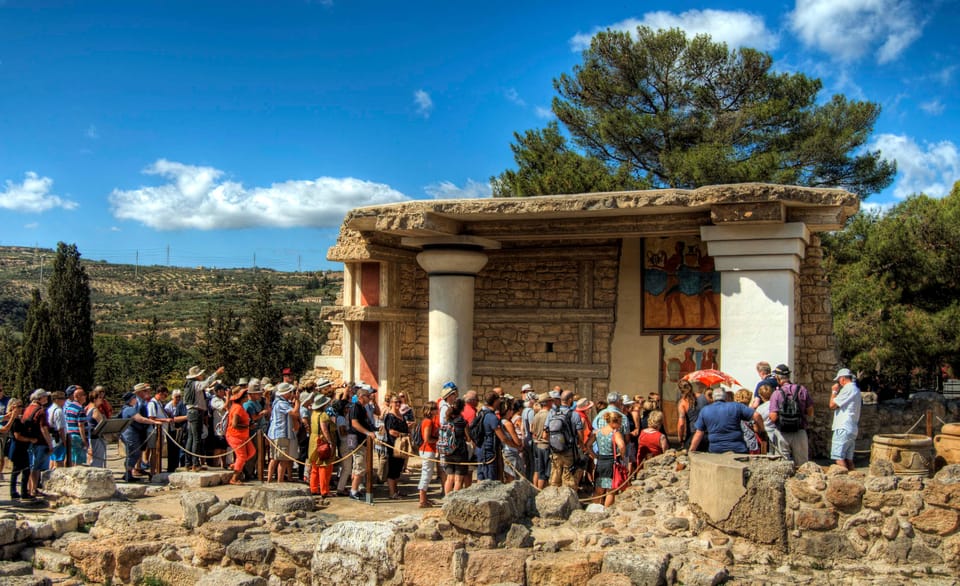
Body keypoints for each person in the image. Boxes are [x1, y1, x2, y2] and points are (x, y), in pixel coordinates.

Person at [689, 386, 767, 454]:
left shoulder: (705, 410)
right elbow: (757, 415)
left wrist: (691, 450)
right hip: (738, 449)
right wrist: (763, 430)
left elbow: (699, 433)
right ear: (725, 397)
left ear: (713, 398)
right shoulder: (736, 406)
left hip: (716, 450)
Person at [768, 364, 814, 466]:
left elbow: (773, 417)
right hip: (799, 431)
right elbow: (810, 412)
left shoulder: (776, 394)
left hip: (782, 433)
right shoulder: (802, 390)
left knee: (783, 466)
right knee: (803, 465)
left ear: (777, 378)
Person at [182, 365, 225, 471]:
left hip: (191, 411)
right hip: (196, 412)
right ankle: (195, 463)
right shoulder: (196, 384)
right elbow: (206, 383)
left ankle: (188, 463)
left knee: (191, 438)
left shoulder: (188, 385)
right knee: (196, 438)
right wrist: (216, 373)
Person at [548, 391, 584, 489]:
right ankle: (568, 500)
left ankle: (553, 499)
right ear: (570, 400)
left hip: (555, 450)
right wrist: (582, 444)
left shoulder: (552, 413)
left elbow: (545, 432)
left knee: (555, 478)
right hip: (569, 451)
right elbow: (580, 433)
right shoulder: (575, 415)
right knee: (569, 479)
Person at [267, 382, 301, 483]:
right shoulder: (282, 404)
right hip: (281, 433)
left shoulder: (277, 402)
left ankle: (269, 480)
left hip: (275, 433)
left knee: (274, 458)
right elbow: (294, 413)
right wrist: (298, 401)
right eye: (290, 392)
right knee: (283, 459)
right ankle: (279, 481)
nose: (291, 394)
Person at [22, 389, 53, 497]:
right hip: (40, 441)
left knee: (32, 466)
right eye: (45, 397)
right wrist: (50, 444)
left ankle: (31, 488)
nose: (47, 399)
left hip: (29, 441)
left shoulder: (27, 409)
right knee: (38, 467)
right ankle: (34, 489)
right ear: (40, 398)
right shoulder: (41, 411)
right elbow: (43, 428)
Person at [347, 386, 377, 500]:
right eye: (367, 396)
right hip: (356, 439)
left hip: (360, 439)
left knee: (357, 464)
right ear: (361, 397)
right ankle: (353, 491)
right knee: (359, 464)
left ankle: (356, 489)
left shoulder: (363, 408)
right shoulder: (355, 407)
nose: (369, 398)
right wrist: (368, 433)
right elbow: (354, 423)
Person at [830, 368, 862, 471]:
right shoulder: (856, 389)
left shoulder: (848, 389)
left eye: (838, 380)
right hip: (852, 428)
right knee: (848, 459)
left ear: (842, 379)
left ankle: (845, 481)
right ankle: (855, 479)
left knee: (838, 458)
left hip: (843, 427)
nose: (838, 383)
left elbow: (832, 405)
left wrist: (834, 391)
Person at [593, 410, 627, 507]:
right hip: (611, 462)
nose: (620, 425)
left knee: (598, 489)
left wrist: (594, 456)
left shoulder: (598, 432)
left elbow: (587, 445)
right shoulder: (615, 433)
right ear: (614, 422)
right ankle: (606, 511)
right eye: (619, 422)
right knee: (610, 490)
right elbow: (621, 445)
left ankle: (595, 510)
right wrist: (622, 455)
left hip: (600, 462)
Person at [382, 394, 410, 499]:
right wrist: (402, 435)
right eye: (395, 402)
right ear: (391, 403)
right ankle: (392, 493)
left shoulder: (401, 415)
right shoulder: (390, 416)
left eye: (399, 402)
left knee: (398, 468)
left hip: (402, 445)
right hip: (394, 445)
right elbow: (391, 431)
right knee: (393, 469)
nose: (398, 404)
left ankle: (396, 491)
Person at [225, 386, 253, 485]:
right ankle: (234, 478)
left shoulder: (239, 407)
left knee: (251, 452)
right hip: (235, 436)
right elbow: (234, 424)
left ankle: (236, 465)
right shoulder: (237, 408)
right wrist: (247, 426)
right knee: (241, 456)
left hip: (243, 436)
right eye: (246, 395)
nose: (247, 397)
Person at [308, 394, 336, 497]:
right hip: (321, 441)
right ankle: (324, 490)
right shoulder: (323, 415)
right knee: (325, 466)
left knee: (315, 465)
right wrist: (329, 442)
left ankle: (313, 488)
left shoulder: (313, 413)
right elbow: (324, 429)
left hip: (313, 440)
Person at [3, 399, 29, 501]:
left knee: (22, 469)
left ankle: (20, 491)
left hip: (20, 447)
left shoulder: (18, 419)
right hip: (17, 447)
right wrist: (30, 439)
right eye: (18, 406)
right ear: (13, 407)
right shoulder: (15, 421)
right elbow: (12, 433)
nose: (21, 408)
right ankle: (17, 492)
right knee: (19, 470)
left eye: (21, 406)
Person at [442, 399, 470, 494]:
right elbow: (468, 438)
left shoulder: (447, 421)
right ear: (462, 409)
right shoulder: (463, 422)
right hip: (460, 453)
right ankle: (454, 502)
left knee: (449, 478)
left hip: (448, 451)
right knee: (458, 479)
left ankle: (446, 501)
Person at [417, 402, 438, 507]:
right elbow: (427, 439)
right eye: (435, 408)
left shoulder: (428, 421)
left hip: (428, 450)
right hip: (428, 450)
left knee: (427, 474)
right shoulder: (428, 422)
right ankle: (422, 500)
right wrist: (438, 440)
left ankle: (424, 498)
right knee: (426, 474)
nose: (437, 410)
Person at [530, 393, 553, 490]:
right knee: (546, 473)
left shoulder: (536, 415)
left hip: (537, 444)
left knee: (539, 471)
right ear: (547, 402)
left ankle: (537, 491)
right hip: (546, 445)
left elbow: (532, 430)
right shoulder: (549, 415)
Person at [164, 389, 188, 473]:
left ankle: (181, 465)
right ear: (172, 397)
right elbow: (172, 418)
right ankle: (171, 467)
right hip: (171, 430)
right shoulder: (168, 406)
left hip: (180, 429)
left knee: (181, 448)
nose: (178, 399)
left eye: (179, 397)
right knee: (172, 450)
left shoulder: (182, 405)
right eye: (176, 397)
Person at [63, 385, 89, 467]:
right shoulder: (80, 409)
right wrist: (84, 440)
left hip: (70, 435)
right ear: (78, 396)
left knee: (71, 457)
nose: (85, 397)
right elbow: (81, 426)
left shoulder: (69, 407)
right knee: (79, 460)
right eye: (84, 395)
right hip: (77, 436)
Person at [501, 398, 524, 481]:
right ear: (508, 410)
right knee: (513, 478)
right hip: (511, 452)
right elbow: (517, 441)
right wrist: (521, 443)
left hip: (505, 451)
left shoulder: (501, 421)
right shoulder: (508, 423)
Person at [85, 389, 108, 468]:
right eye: (100, 398)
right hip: (97, 437)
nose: (102, 400)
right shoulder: (95, 410)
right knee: (98, 458)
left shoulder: (87, 408)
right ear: (95, 399)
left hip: (91, 436)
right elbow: (102, 422)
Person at [676, 380, 699, 449]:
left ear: (680, 391)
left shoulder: (682, 403)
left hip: (692, 434)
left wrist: (680, 438)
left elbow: (681, 424)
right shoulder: (702, 397)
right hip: (706, 433)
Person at [47, 390, 67, 469]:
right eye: (62, 398)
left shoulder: (50, 409)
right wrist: (65, 441)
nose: (64, 400)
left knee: (52, 460)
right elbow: (60, 429)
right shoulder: (58, 411)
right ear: (56, 399)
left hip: (51, 438)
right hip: (58, 439)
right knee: (59, 461)